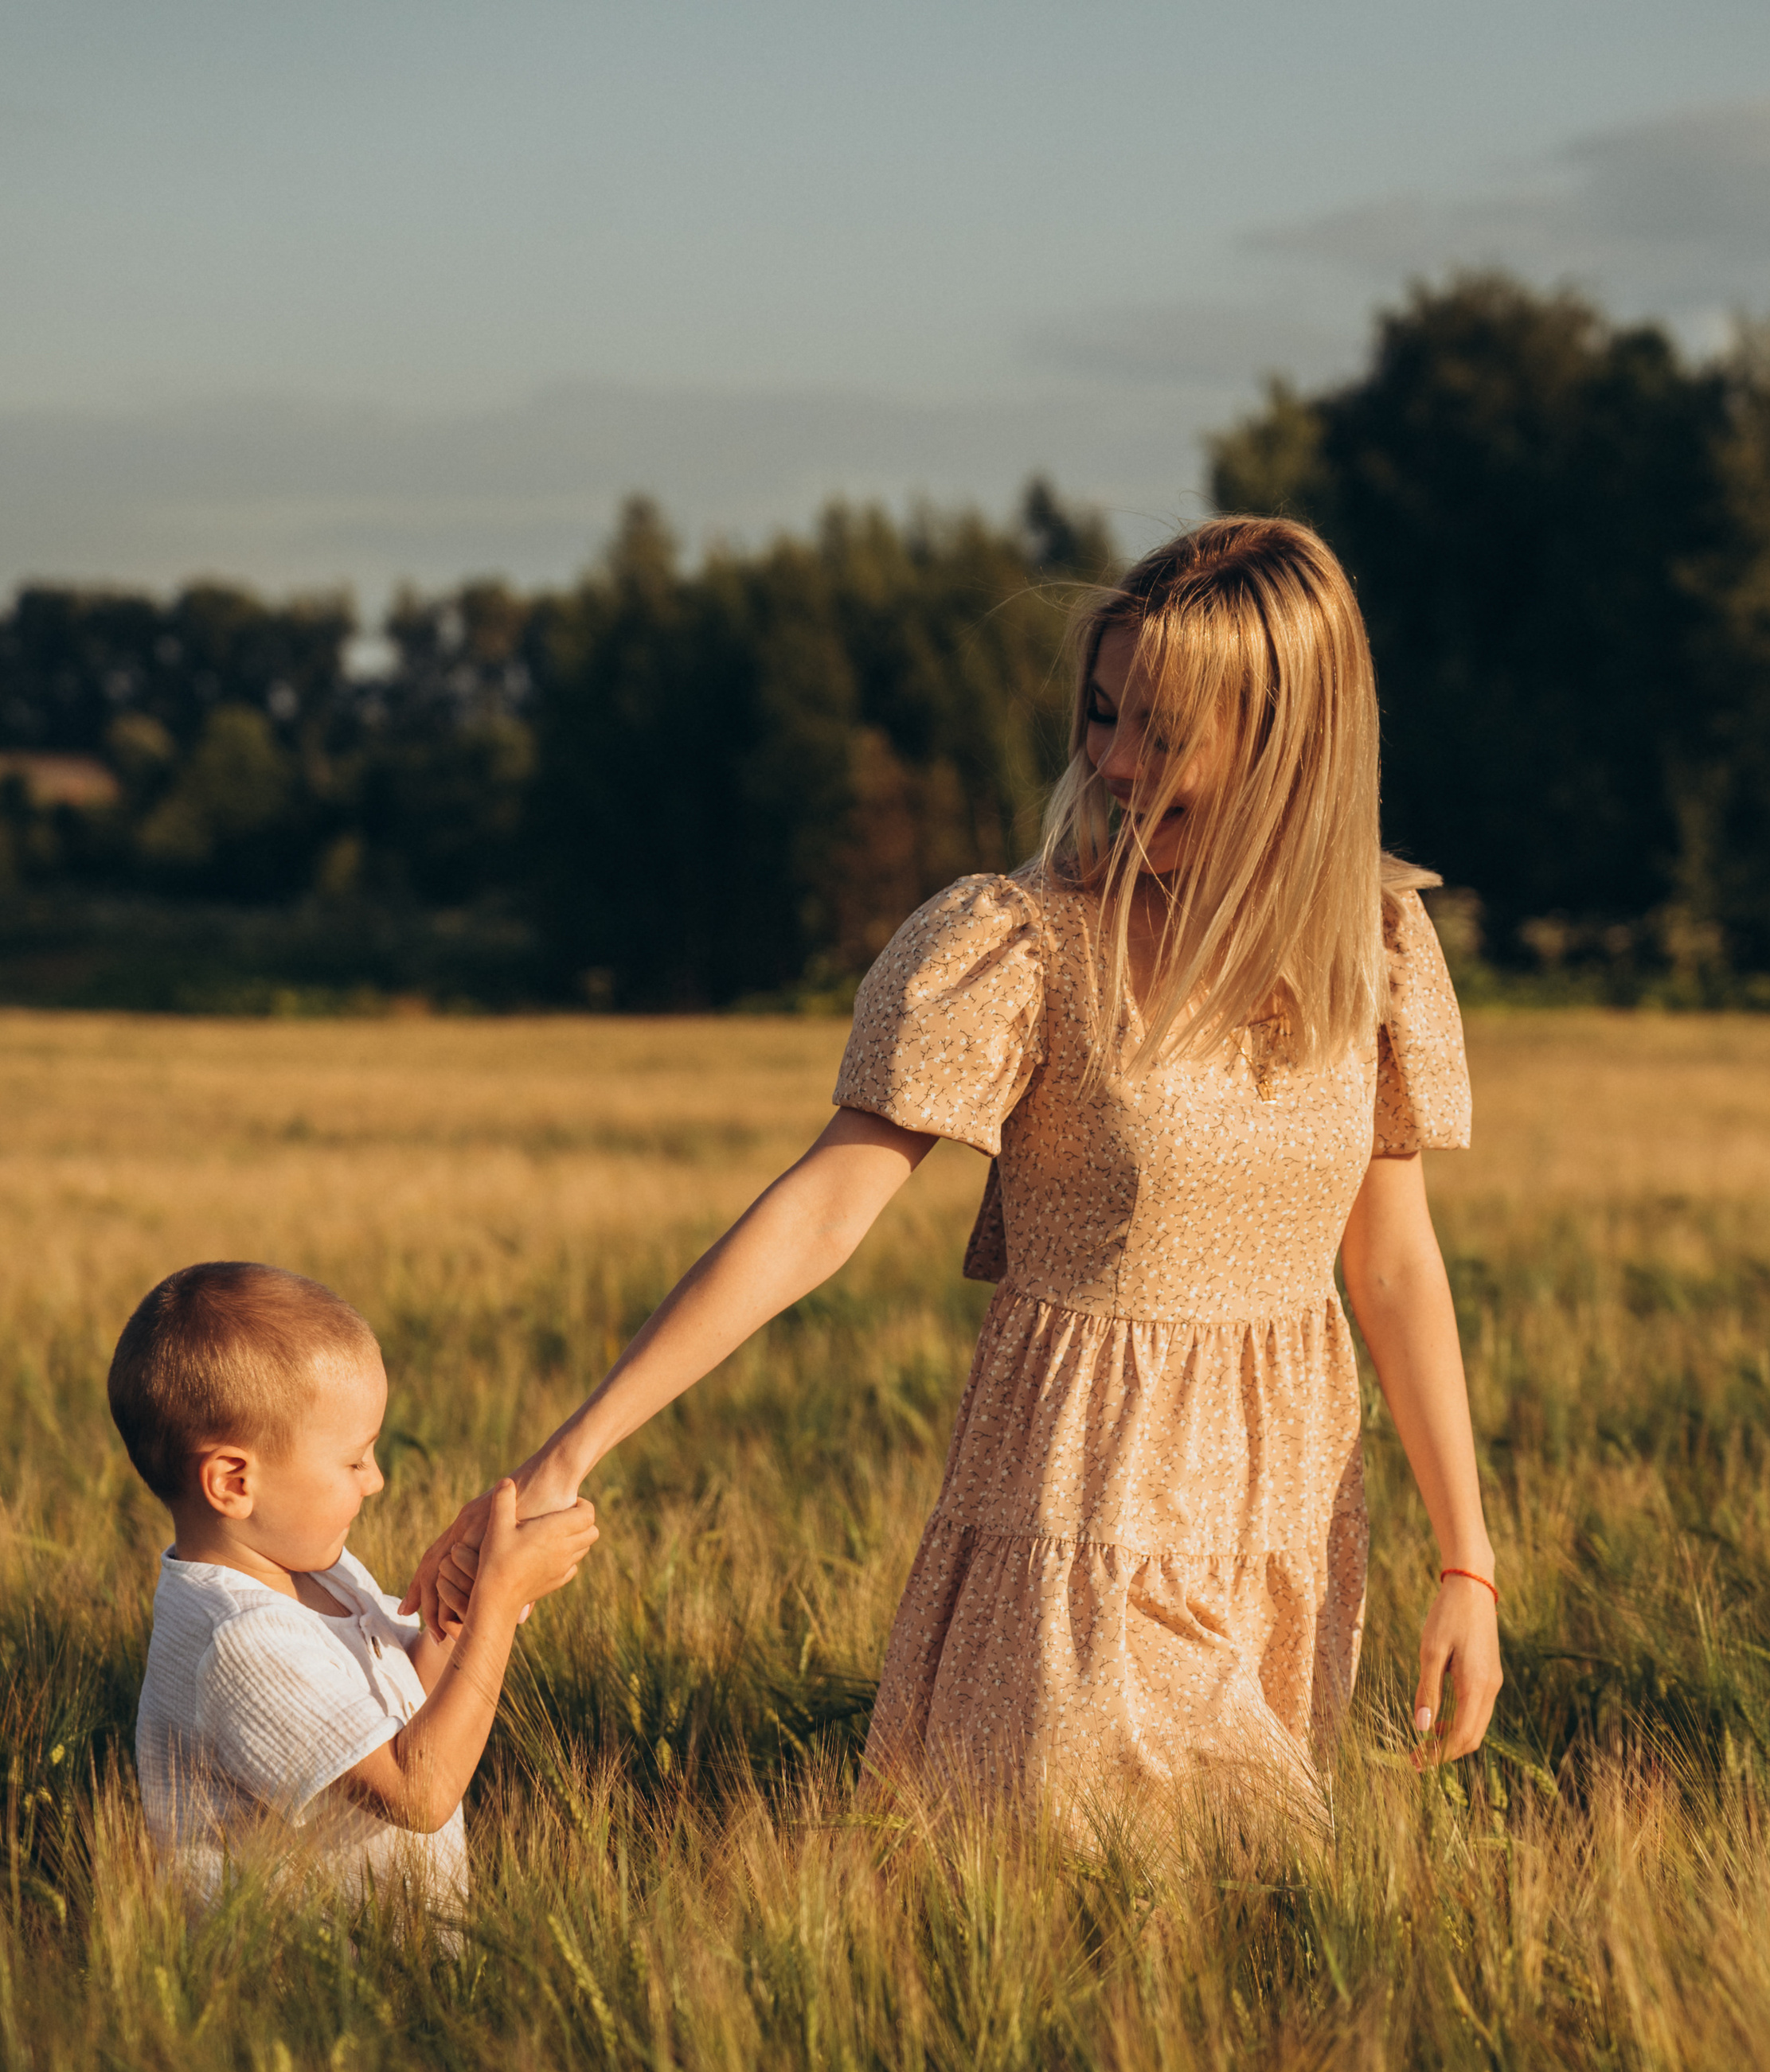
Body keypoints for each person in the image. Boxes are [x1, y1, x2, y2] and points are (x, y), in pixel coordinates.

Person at [408, 517, 1502, 1807]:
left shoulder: (1372, 947)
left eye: (1160, 730)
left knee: (1223, 1962)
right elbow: (824, 1209)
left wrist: (1466, 1562)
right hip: (1082, 1509)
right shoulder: (1025, 946)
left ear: (1289, 744)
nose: (1112, 763)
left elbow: (1392, 1265)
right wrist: (566, 1456)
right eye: (1101, 716)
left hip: (1287, 1521)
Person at [108, 1261, 597, 1903]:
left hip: (396, 1972)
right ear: (233, 1481)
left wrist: (467, 1603)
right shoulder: (239, 1643)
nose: (376, 1479)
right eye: (354, 1458)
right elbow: (418, 1791)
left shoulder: (322, 1571)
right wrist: (498, 1609)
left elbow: (406, 1708)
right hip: (305, 1993)